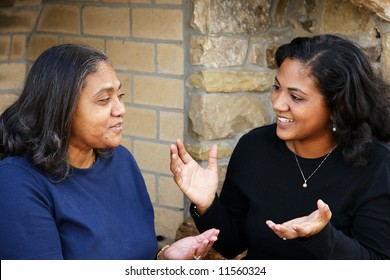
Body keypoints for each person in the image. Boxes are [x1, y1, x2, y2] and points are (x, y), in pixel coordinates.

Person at [170, 34, 390, 259]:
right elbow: (232, 245)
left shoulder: (377, 166)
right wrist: (207, 205)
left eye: (295, 97)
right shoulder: (254, 147)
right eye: (277, 87)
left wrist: (323, 237)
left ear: (339, 106)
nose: (277, 103)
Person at [0, 43, 219, 260]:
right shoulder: (16, 183)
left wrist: (162, 260)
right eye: (104, 99)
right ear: (60, 107)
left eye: (119, 96)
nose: (120, 109)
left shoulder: (121, 160)